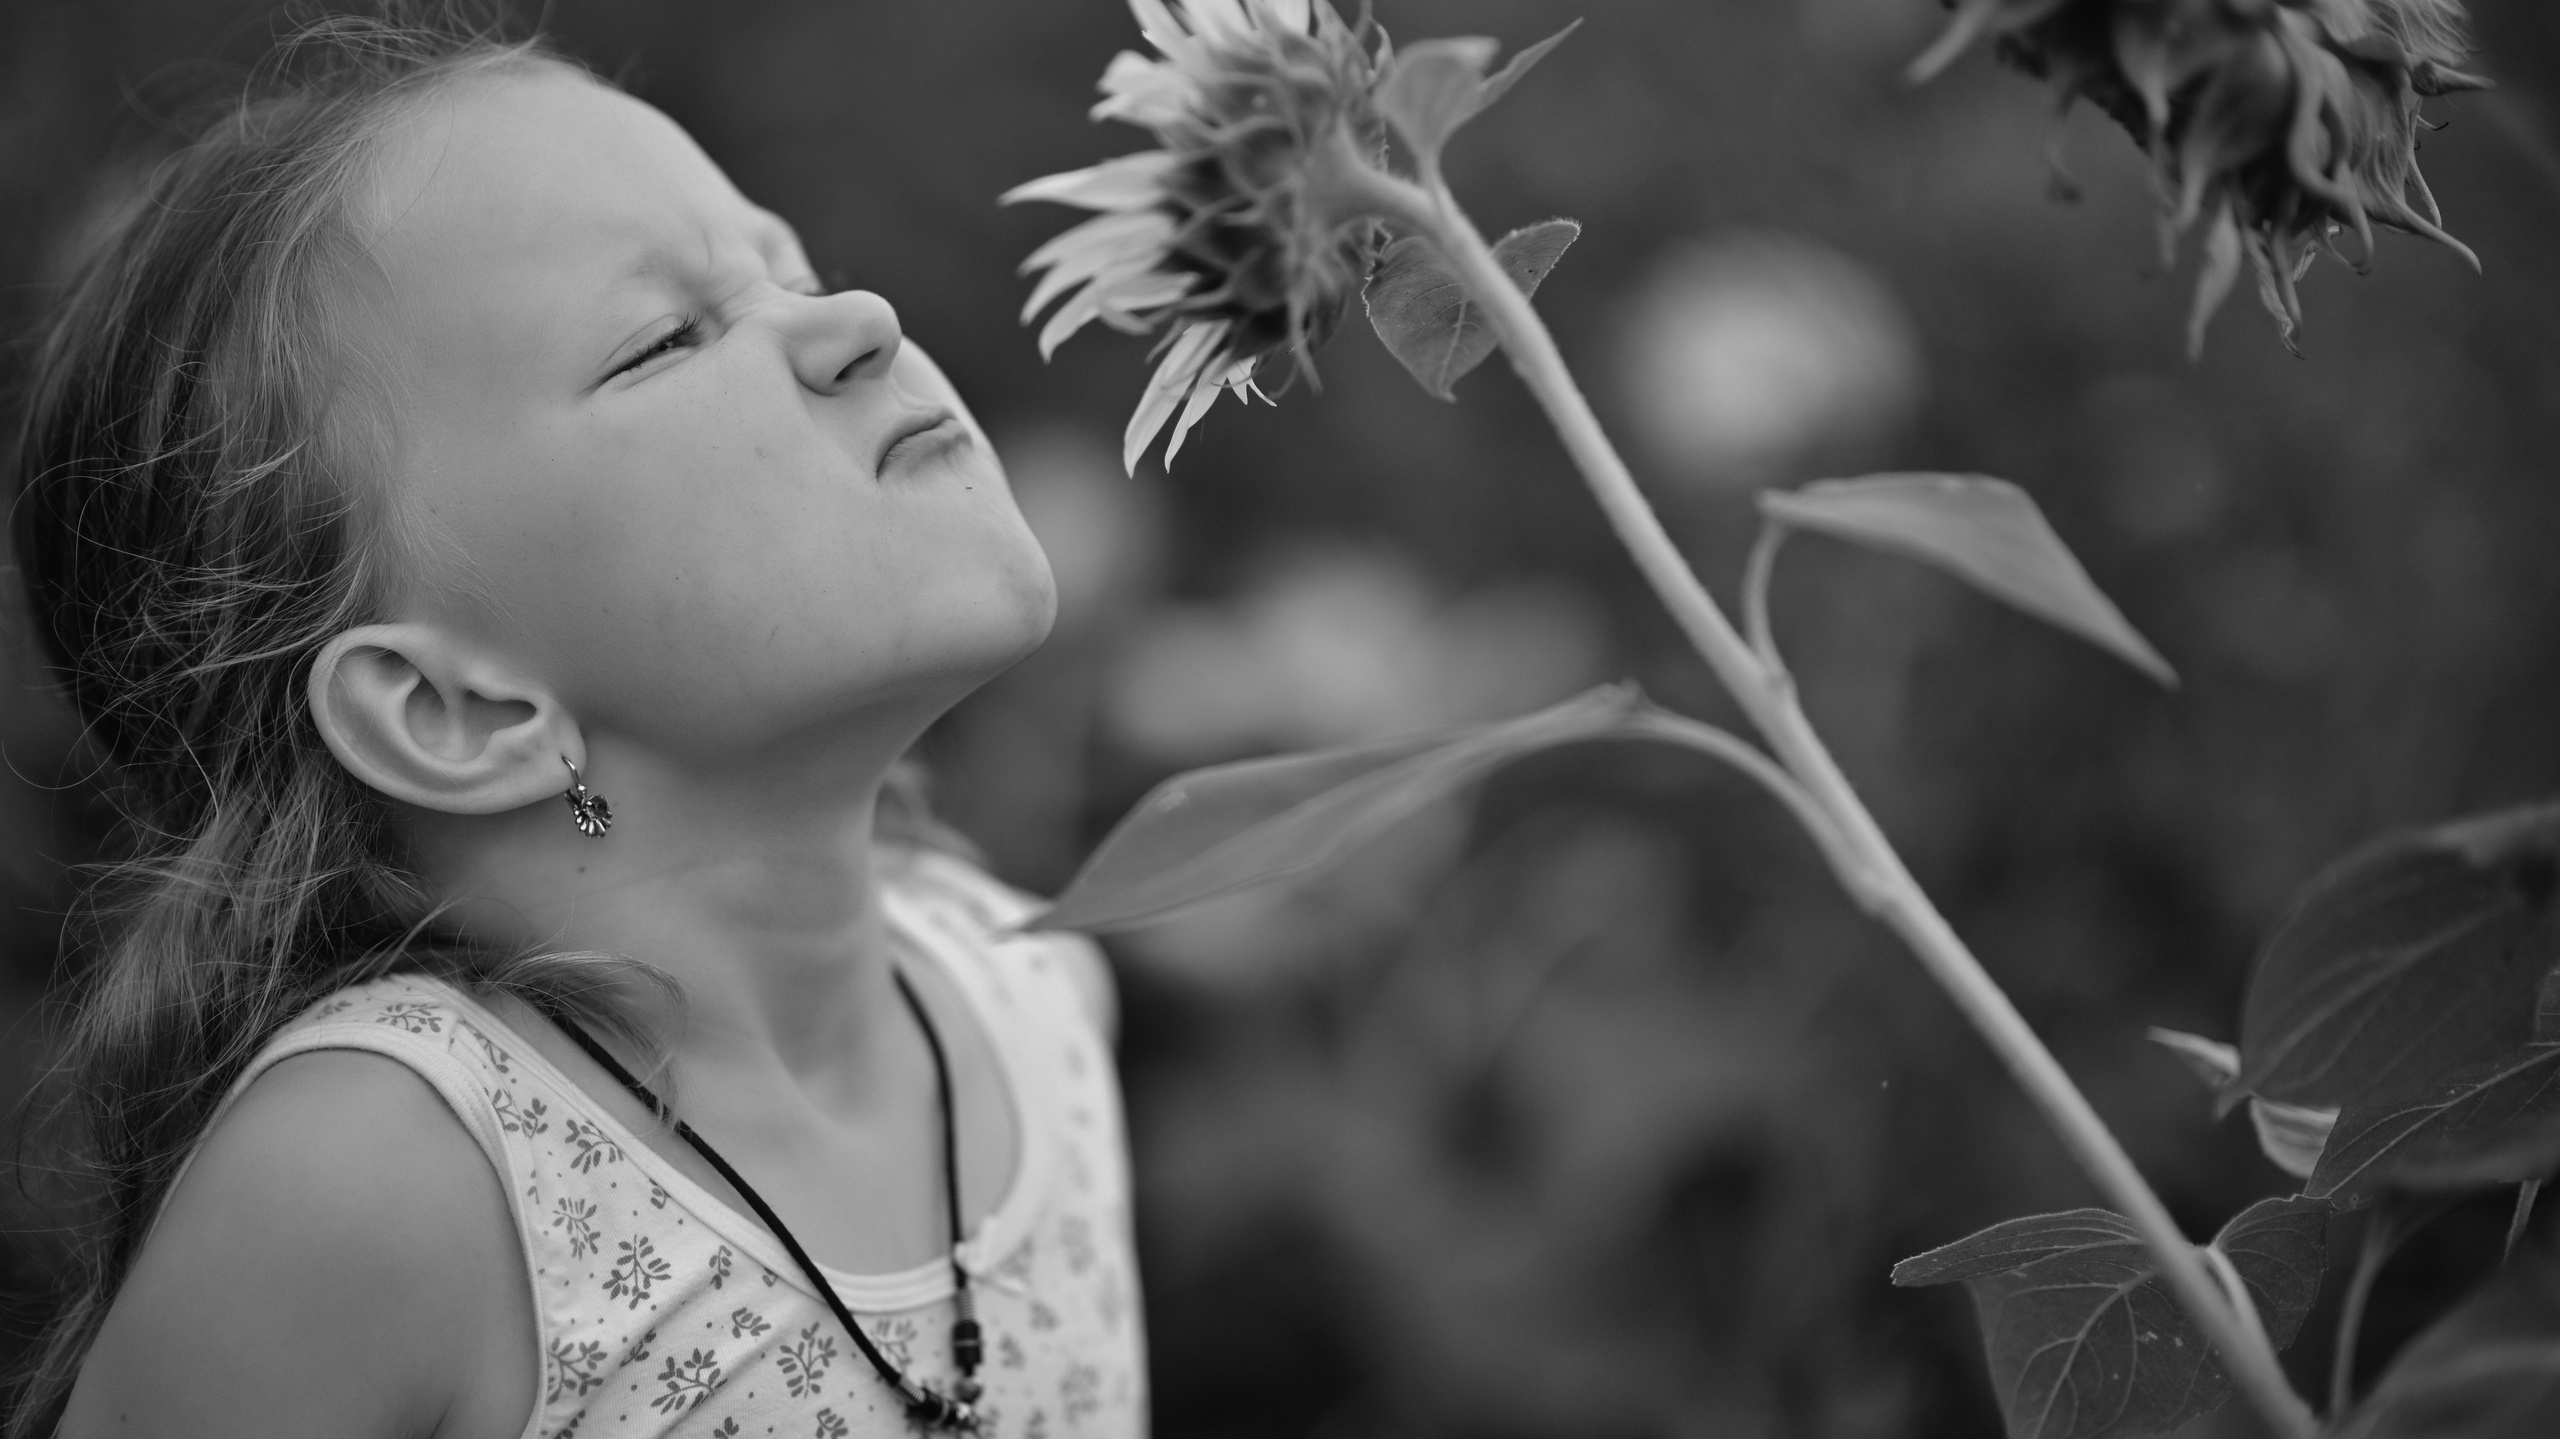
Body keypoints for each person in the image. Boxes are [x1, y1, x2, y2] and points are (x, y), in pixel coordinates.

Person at [6, 16, 1140, 1438]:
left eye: (793, 271)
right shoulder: (383, 1185)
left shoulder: (1038, 1001)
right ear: (459, 709)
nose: (863, 324)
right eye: (666, 340)